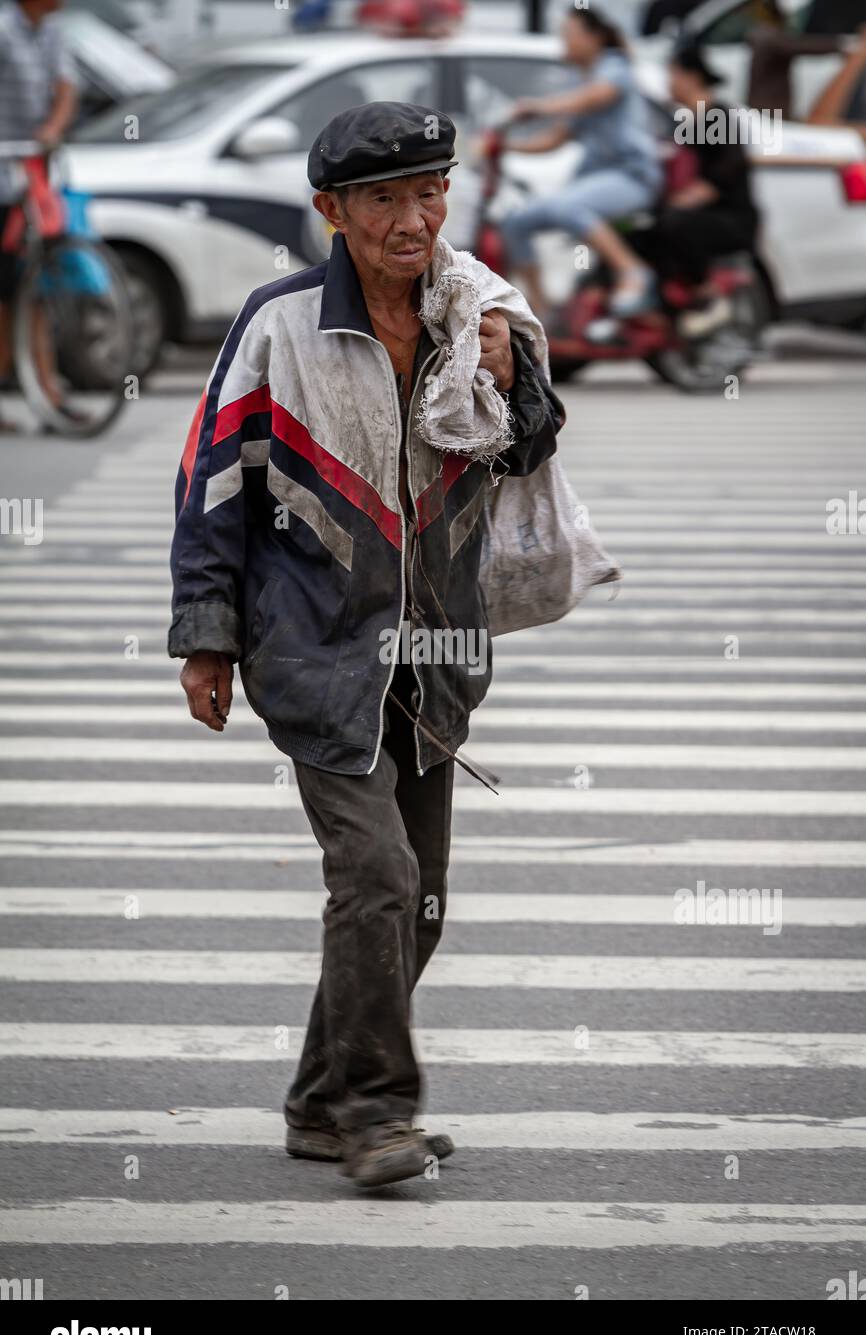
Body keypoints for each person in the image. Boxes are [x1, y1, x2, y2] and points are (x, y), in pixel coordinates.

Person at [167, 102, 565, 1189]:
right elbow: (213, 488)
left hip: (432, 653)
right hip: (313, 647)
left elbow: (528, 446)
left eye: (428, 191)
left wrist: (507, 372)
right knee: (379, 880)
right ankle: (377, 1116)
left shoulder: (475, 306)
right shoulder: (278, 324)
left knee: (415, 900)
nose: (412, 217)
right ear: (329, 212)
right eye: (382, 198)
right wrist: (205, 641)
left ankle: (314, 1102)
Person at [498, 2, 663, 321]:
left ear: (594, 37)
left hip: (631, 176)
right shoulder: (578, 82)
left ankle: (634, 272)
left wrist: (539, 107)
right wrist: (507, 146)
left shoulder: (613, 66)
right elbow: (556, 138)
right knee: (516, 223)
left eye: (569, 34)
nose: (564, 42)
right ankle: (541, 310)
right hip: (593, 179)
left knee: (566, 207)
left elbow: (597, 97)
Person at [630, 44, 760, 337]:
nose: (668, 82)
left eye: (672, 74)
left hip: (730, 219)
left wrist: (689, 198)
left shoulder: (717, 116)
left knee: (674, 222)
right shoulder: (689, 122)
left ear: (691, 77)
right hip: (700, 215)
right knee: (641, 233)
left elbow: (729, 168)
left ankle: (708, 295)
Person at [0, 0, 77, 430]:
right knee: (7, 292)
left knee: (36, 287)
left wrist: (51, 129)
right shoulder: (4, 30)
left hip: (29, 177)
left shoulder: (50, 31)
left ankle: (47, 391)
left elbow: (66, 86)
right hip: (2, 174)